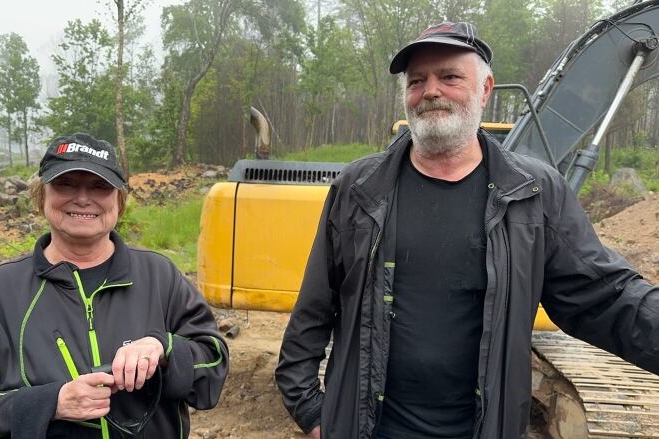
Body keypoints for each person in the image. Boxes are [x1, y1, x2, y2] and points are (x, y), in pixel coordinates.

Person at [275, 21, 659, 439]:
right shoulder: (360, 189)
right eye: (417, 81)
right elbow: (314, 307)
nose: (431, 91)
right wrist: (311, 412)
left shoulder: (534, 193)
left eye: (450, 77)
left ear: (486, 89)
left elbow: (604, 296)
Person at [0, 133, 228, 438]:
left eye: (100, 186)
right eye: (66, 184)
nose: (83, 198)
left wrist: (165, 348)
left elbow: (213, 366)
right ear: (42, 195)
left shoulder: (160, 276)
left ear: (119, 199)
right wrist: (51, 403)